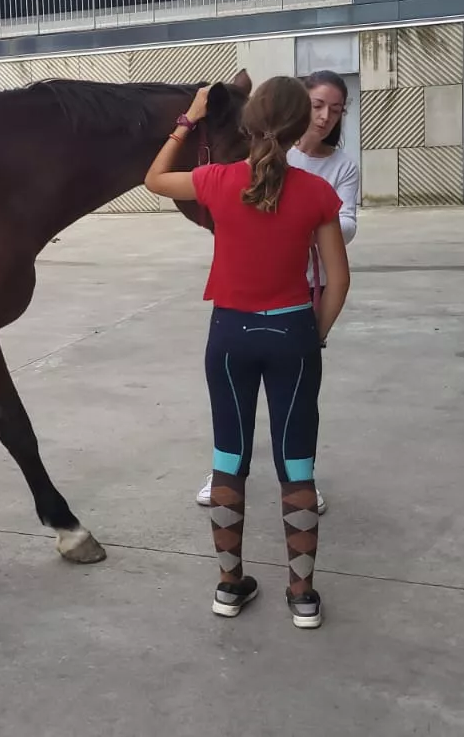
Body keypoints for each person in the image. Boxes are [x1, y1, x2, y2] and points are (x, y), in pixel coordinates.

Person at [144, 76, 351, 629]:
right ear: (298, 126)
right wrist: (316, 334)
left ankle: (229, 586)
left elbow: (154, 179)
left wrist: (188, 118)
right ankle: (302, 595)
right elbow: (338, 279)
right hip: (292, 337)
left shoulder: (217, 180)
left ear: (249, 123)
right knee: (297, 464)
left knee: (229, 460)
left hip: (230, 336)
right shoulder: (317, 193)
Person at [194, 70, 361, 514]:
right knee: (287, 413)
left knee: (278, 411)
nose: (326, 116)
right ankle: (301, 581)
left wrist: (289, 227)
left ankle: (230, 579)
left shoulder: (335, 170)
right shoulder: (306, 183)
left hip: (298, 294)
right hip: (280, 308)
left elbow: (346, 226)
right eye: (319, 105)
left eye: (336, 109)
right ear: (299, 110)